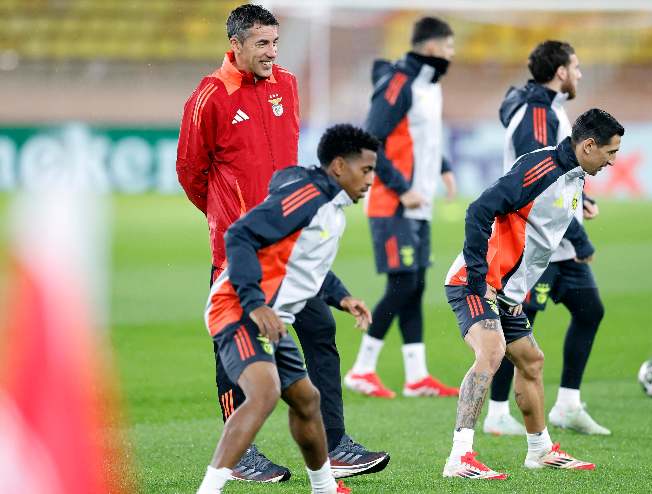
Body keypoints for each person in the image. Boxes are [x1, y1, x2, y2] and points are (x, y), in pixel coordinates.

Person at [177, 4, 388, 482]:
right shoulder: (209, 96)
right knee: (235, 345)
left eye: (275, 42)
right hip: (241, 246)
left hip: (293, 245)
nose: (272, 52)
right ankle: (242, 457)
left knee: (320, 334)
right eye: (262, 44)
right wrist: (227, 218)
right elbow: (190, 171)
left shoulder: (286, 85)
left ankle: (335, 446)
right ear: (236, 44)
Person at [195, 124, 379, 494]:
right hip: (238, 310)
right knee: (264, 393)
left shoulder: (332, 210)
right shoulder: (310, 196)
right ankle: (209, 489)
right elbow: (240, 234)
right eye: (366, 169)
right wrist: (255, 302)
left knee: (307, 400)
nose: (371, 180)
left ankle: (324, 487)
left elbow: (306, 265)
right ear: (339, 166)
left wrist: (341, 296)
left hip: (270, 321)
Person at [442, 109, 623, 478]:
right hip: (477, 282)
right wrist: (479, 279)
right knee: (491, 353)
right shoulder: (540, 169)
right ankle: (459, 456)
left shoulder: (575, 177)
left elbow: (546, 215)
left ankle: (540, 450)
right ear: (588, 146)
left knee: (531, 360)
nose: (613, 161)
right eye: (610, 152)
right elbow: (479, 209)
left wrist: (581, 208)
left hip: (508, 292)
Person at [483, 40, 611, 436]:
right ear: (560, 72)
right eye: (576, 66)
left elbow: (559, 171)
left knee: (590, 310)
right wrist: (579, 233)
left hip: (558, 240)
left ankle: (568, 405)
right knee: (518, 325)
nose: (579, 73)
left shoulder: (549, 107)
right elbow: (539, 179)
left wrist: (580, 198)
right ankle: (499, 413)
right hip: (535, 239)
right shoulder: (537, 112)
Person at [344, 16, 459, 399]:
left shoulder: (429, 84)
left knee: (415, 285)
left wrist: (442, 168)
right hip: (391, 202)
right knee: (403, 284)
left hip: (417, 204)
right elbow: (370, 138)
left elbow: (422, 137)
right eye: (448, 47)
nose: (452, 54)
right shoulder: (399, 82)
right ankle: (361, 370)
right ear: (430, 47)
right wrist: (400, 187)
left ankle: (416, 376)